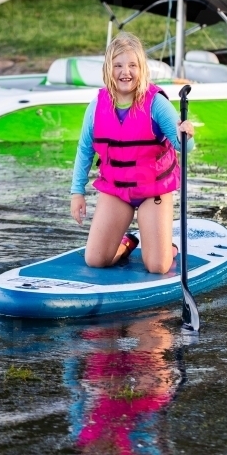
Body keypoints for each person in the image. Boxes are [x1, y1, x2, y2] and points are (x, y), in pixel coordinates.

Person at [70, 32, 194, 274]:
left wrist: (187, 135)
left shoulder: (156, 104)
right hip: (117, 190)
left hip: (152, 191)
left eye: (132, 65)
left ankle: (167, 248)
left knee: (157, 266)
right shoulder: (96, 107)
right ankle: (126, 244)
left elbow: (183, 147)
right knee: (95, 259)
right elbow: (84, 150)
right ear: (108, 69)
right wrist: (77, 192)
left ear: (142, 69)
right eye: (118, 65)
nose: (125, 72)